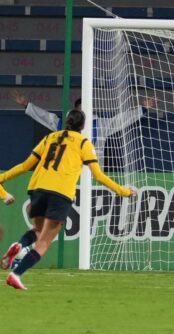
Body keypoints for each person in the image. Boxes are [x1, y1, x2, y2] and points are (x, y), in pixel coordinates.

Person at [0, 109, 136, 289]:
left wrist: (2, 178)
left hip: (37, 189)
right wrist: (123, 191)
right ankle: (16, 274)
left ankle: (19, 244)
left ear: (67, 122)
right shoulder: (83, 143)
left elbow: (25, 166)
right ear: (82, 126)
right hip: (61, 193)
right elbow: (98, 175)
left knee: (38, 230)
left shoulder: (50, 138)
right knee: (45, 241)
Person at [11, 89, 156, 157]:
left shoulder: (100, 125)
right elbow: (45, 117)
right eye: (79, 109)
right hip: (69, 175)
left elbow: (121, 120)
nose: (82, 112)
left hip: (93, 176)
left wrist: (142, 109)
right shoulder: (64, 125)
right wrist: (27, 105)